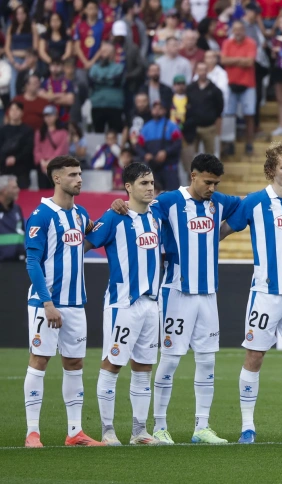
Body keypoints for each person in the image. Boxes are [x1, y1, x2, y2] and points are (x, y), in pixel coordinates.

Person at [110, 153, 242, 445]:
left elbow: (249, 206)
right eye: (208, 182)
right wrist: (118, 203)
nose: (212, 188)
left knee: (207, 361)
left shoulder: (218, 202)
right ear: (193, 176)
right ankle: (159, 426)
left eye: (216, 183)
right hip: (176, 292)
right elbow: (138, 210)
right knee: (169, 361)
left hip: (208, 294)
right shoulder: (169, 201)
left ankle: (202, 428)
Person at [218, 142, 282, 444]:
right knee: (254, 357)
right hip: (265, 294)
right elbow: (223, 230)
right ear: (270, 171)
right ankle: (247, 427)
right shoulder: (254, 202)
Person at [23, 155, 102, 448]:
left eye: (80, 174)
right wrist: (47, 303)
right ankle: (33, 433)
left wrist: (116, 208)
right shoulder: (41, 215)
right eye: (73, 175)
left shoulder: (80, 214)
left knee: (74, 362)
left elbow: (98, 228)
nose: (79, 179)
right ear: (57, 178)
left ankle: (75, 432)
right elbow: (32, 262)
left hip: (75, 303)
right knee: (40, 360)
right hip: (47, 304)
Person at [85, 163, 162, 446]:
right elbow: (84, 244)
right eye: (143, 183)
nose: (150, 187)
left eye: (151, 182)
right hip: (122, 304)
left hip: (151, 304)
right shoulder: (114, 216)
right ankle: (107, 431)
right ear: (128, 187)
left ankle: (139, 431)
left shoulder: (157, 215)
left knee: (143, 367)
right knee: (112, 364)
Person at [222, 21, 257, 155]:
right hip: (231, 84)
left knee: (249, 115)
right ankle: (230, 144)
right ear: (232, 31)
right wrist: (240, 60)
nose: (238, 32)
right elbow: (223, 60)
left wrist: (232, 60)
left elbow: (249, 62)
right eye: (235, 30)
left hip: (248, 84)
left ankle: (249, 144)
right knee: (229, 116)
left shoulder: (251, 43)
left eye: (240, 29)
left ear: (244, 30)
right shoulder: (227, 43)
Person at [184, 61, 224, 175]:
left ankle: (211, 180)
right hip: (193, 127)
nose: (202, 73)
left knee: (211, 157)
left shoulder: (215, 89)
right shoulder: (190, 88)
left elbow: (219, 108)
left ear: (207, 72)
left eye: (204, 70)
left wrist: (212, 118)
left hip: (209, 127)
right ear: (196, 71)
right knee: (192, 156)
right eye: (200, 70)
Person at [137, 101, 182, 191]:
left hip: (169, 168)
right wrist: (145, 155)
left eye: (160, 108)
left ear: (165, 111)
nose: (157, 111)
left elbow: (178, 143)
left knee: (172, 195)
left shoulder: (172, 126)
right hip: (152, 168)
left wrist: (166, 152)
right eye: (155, 108)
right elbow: (138, 146)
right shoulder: (146, 127)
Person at [89, 43, 125, 134]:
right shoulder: (94, 67)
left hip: (115, 105)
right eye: (102, 51)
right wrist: (109, 79)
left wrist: (100, 79)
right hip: (97, 104)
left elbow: (117, 81)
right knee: (97, 133)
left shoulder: (119, 67)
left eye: (105, 52)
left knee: (116, 133)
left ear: (112, 54)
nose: (102, 54)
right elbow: (92, 82)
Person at [0, 101, 36, 189]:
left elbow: (28, 148)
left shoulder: (28, 130)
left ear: (22, 112)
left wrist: (16, 158)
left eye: (17, 109)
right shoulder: (3, 130)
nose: (14, 112)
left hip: (22, 168)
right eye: (12, 109)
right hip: (4, 168)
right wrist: (5, 159)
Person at [34, 106, 70, 189]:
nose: (48, 118)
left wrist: (50, 162)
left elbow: (62, 149)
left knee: (56, 190)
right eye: (46, 116)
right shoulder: (39, 132)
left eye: (51, 115)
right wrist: (42, 161)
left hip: (57, 165)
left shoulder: (63, 132)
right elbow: (37, 149)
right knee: (43, 190)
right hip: (42, 166)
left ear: (56, 116)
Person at [0, 175, 24, 261]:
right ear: (4, 191)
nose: (18, 190)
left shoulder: (17, 209)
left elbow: (22, 232)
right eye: (14, 188)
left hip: (17, 263)